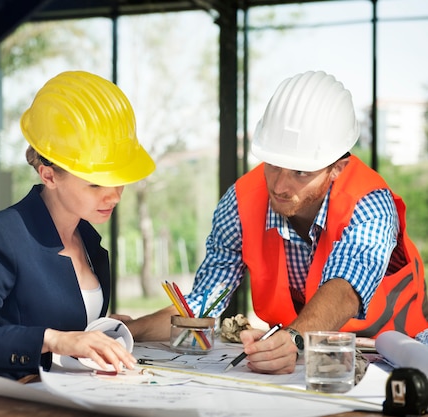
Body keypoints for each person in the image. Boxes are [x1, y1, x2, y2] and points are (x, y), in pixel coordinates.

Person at [119, 70, 428, 375]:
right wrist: (130, 330)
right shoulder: (240, 202)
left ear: (337, 167)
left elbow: (345, 289)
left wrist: (294, 340)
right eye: (273, 165)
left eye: (300, 172)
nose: (279, 185)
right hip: (298, 366)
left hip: (397, 362)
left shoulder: (370, 202)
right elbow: (201, 305)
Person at [0, 70, 155, 380]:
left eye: (119, 181)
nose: (114, 195)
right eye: (95, 184)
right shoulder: (2, 236)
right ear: (48, 175)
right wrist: (54, 339)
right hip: (17, 406)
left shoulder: (88, 240)